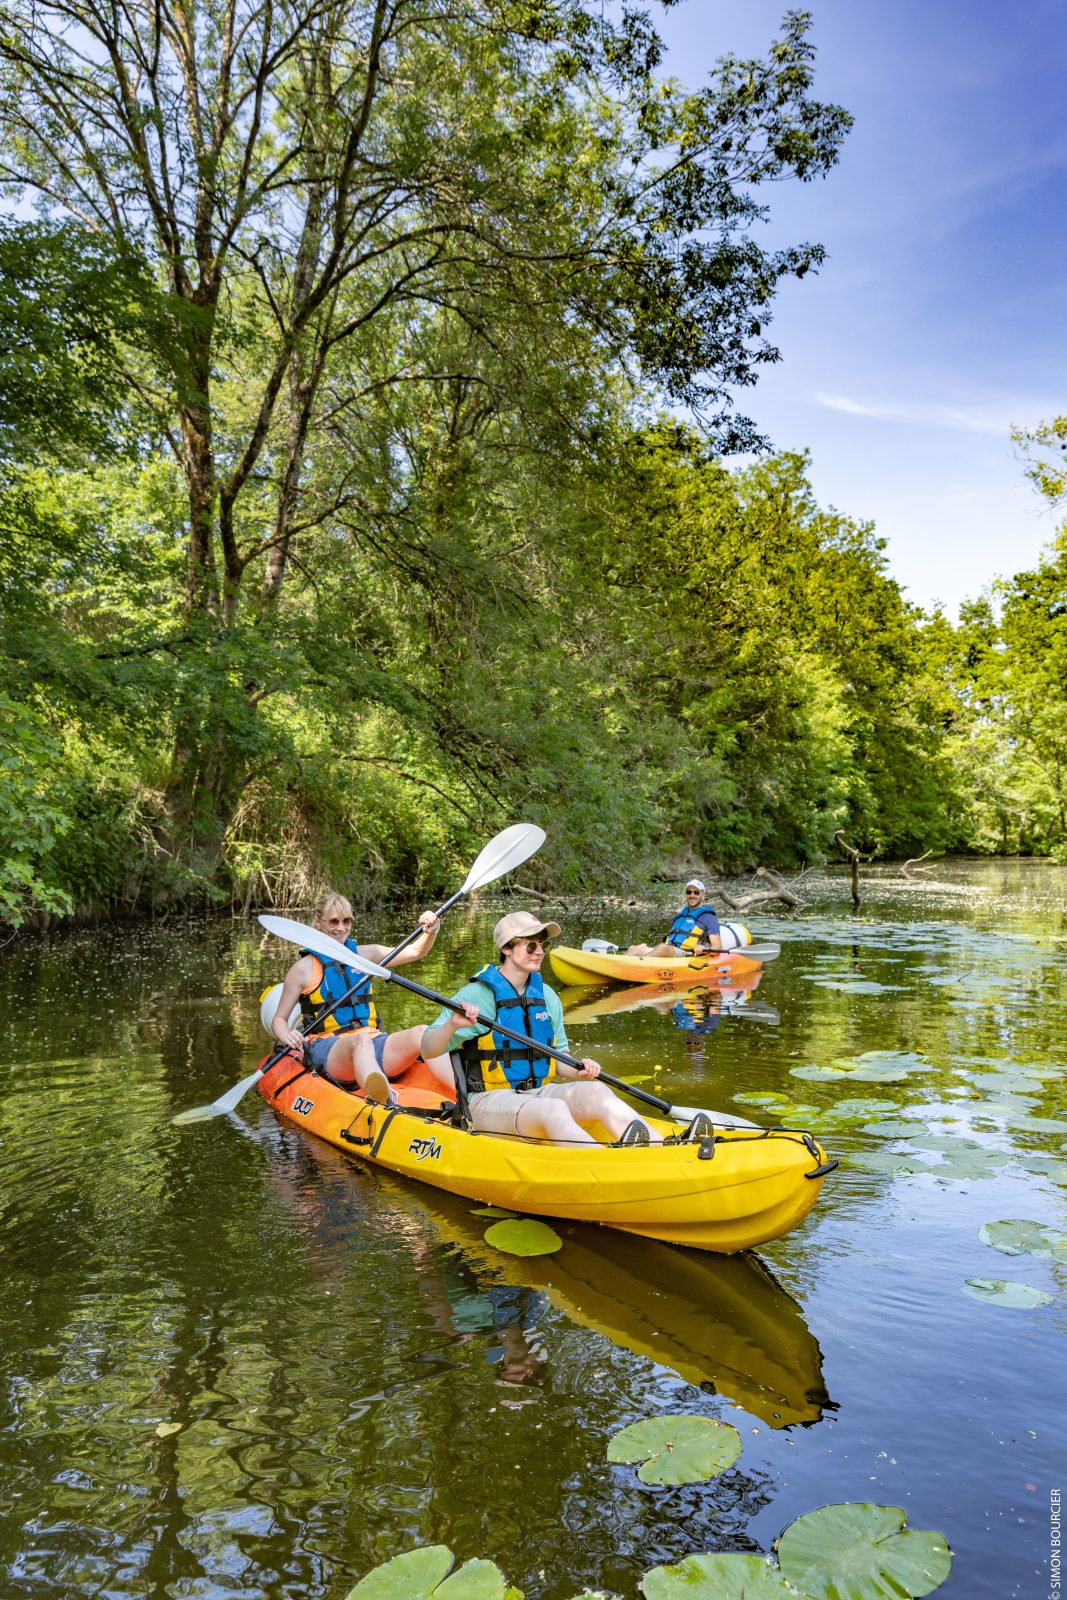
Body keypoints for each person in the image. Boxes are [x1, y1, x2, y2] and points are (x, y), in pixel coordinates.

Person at [418, 911, 666, 1147]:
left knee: (596, 1090)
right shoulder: (478, 995)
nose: (539, 952)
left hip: (539, 1092)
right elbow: (428, 1049)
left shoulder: (546, 996)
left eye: (542, 946)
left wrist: (579, 1070)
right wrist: (451, 1026)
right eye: (530, 946)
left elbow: (558, 1058)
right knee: (553, 1109)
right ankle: (607, 1167)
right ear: (506, 949)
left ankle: (659, 1150)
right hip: (488, 1101)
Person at [270, 889, 455, 1103]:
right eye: (333, 922)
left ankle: (465, 1095)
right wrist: (285, 1035)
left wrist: (431, 931)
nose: (341, 928)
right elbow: (279, 1019)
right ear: (317, 922)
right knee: (360, 1042)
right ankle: (384, 1100)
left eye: (346, 920)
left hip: (374, 1042)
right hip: (330, 1051)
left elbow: (415, 952)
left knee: (422, 1032)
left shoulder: (366, 955)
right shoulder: (302, 969)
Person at [626, 878, 721, 958]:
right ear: (686, 894)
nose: (692, 895)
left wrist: (704, 950)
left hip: (688, 954)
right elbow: (669, 939)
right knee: (634, 949)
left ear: (703, 894)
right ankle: (616, 967)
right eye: (689, 892)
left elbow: (717, 947)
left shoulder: (708, 917)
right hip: (669, 950)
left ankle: (640, 964)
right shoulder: (680, 916)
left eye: (696, 892)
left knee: (663, 948)